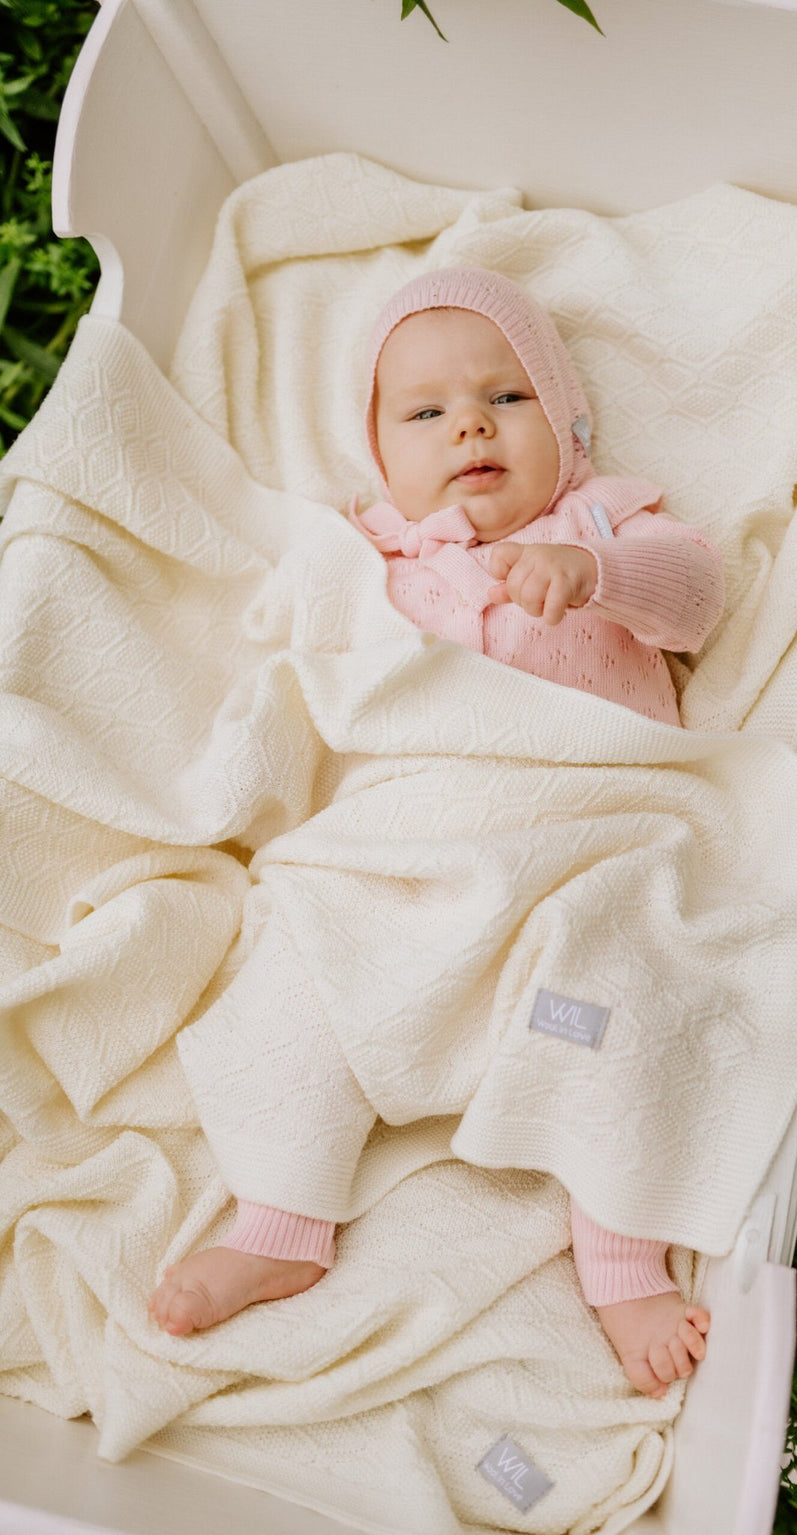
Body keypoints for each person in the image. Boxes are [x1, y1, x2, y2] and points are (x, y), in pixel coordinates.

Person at [149, 268, 723, 1401]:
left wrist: (596, 572)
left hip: (570, 878)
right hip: (398, 885)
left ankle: (617, 1259)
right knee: (295, 984)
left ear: (569, 427)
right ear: (378, 458)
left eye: (506, 397)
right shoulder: (372, 561)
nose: (468, 422)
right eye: (423, 412)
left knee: (623, 1006)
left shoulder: (605, 520)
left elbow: (695, 596)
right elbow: (302, 673)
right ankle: (279, 1215)